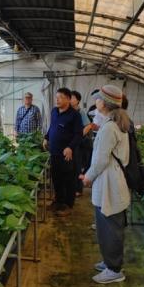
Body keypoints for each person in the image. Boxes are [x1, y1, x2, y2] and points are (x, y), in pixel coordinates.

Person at [81, 85, 130, 284]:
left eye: (99, 99)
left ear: (106, 103)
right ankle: (110, 261)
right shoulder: (115, 123)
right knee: (109, 225)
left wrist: (88, 177)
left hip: (109, 181)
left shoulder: (109, 127)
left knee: (109, 227)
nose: (96, 101)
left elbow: (100, 160)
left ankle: (114, 269)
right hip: (112, 179)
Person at [43, 88, 83, 217]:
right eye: (56, 97)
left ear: (68, 99)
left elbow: (78, 134)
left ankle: (68, 205)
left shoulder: (74, 115)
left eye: (60, 97)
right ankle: (59, 201)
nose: (57, 100)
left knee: (68, 180)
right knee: (56, 178)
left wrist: (70, 147)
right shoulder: (54, 111)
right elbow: (52, 126)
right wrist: (46, 137)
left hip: (67, 154)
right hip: (54, 151)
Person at [70, 91, 95, 197]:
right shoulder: (68, 112)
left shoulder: (81, 112)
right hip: (70, 144)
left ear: (78, 101)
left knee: (78, 166)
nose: (70, 99)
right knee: (71, 166)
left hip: (79, 144)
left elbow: (89, 125)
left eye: (72, 98)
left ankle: (78, 189)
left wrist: (79, 135)